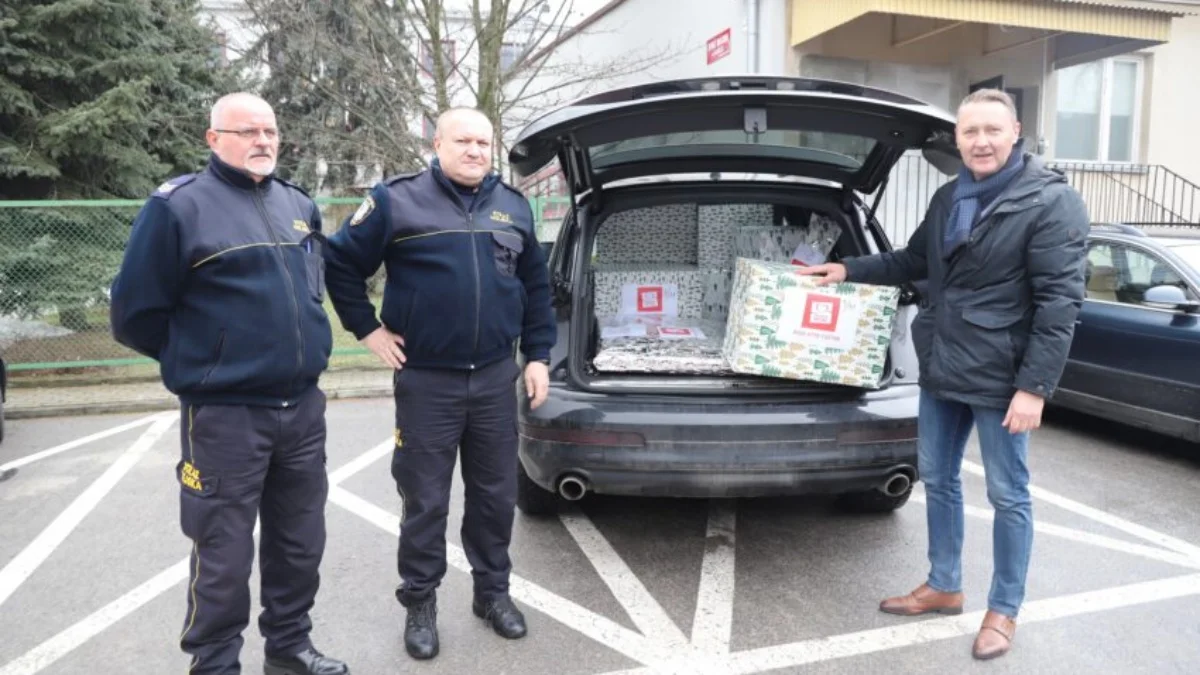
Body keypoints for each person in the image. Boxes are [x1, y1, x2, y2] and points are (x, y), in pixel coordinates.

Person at [798, 88, 1088, 661]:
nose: (980, 141)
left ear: (1015, 132)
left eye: (991, 130)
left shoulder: (1050, 202)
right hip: (944, 364)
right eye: (970, 131)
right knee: (939, 478)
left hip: (1004, 377)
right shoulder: (949, 196)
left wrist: (1034, 388)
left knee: (1009, 495)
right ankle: (945, 584)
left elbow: (1060, 304)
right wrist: (847, 269)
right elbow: (911, 261)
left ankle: (1003, 610)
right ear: (957, 138)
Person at [110, 92, 349, 675]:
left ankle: (290, 648)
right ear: (213, 139)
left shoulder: (297, 203)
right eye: (246, 131)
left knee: (299, 544)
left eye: (269, 130)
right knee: (222, 552)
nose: (262, 141)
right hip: (225, 415)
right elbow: (134, 313)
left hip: (301, 410)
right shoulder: (179, 207)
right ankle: (215, 664)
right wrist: (203, 361)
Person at [322, 106, 555, 661]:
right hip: (427, 381)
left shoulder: (513, 207)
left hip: (498, 378)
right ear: (438, 142)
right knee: (425, 499)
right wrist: (368, 329)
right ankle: (421, 603)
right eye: (464, 140)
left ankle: (492, 593)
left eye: (483, 142)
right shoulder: (395, 201)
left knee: (496, 496)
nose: (476, 150)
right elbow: (338, 263)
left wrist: (539, 356)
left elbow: (537, 289)